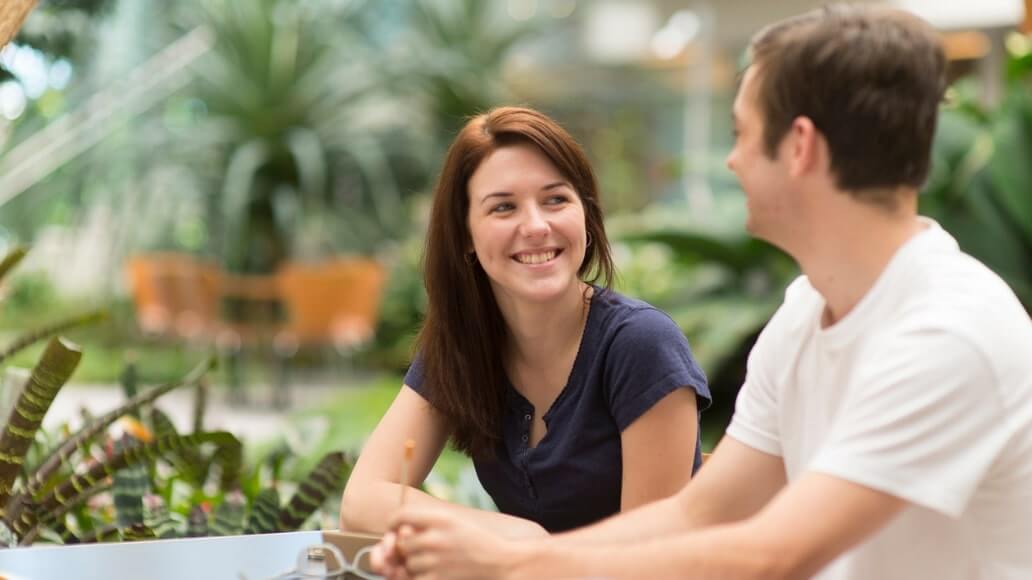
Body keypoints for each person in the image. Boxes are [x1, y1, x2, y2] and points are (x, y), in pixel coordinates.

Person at [372, 5, 1032, 579]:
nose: (731, 160)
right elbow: (695, 515)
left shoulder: (950, 333)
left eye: (742, 132)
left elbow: (772, 557)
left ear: (798, 147)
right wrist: (487, 551)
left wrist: (514, 563)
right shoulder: (806, 313)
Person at [339, 106, 711, 539]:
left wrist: (522, 555)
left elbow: (649, 560)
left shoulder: (642, 345)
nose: (536, 226)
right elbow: (363, 500)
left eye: (556, 199)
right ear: (465, 235)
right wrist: (515, 537)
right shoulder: (464, 343)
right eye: (503, 208)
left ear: (586, 215)